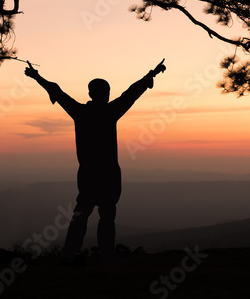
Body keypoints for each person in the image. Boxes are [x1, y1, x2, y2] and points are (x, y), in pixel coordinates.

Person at [25, 59, 165, 264]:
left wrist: (37, 77)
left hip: (90, 174)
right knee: (104, 215)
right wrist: (150, 76)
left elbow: (58, 92)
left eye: (106, 91)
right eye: (105, 91)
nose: (106, 95)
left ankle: (71, 254)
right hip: (107, 173)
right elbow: (131, 94)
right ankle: (105, 255)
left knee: (84, 214)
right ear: (96, 94)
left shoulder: (81, 112)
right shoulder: (109, 112)